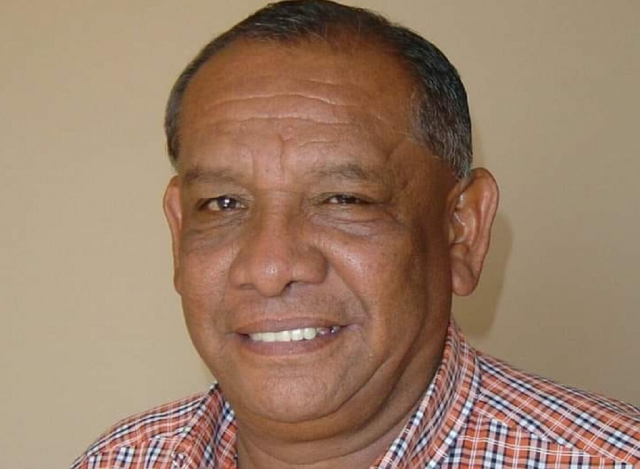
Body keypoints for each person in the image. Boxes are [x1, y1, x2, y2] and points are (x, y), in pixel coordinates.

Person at [71, 1, 639, 467]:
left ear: (462, 231)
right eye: (223, 204)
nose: (269, 268)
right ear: (178, 234)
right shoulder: (119, 459)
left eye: (344, 199)